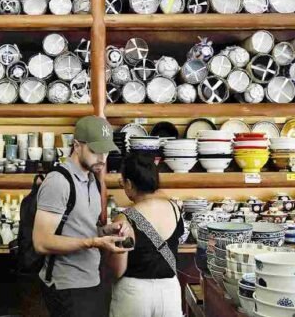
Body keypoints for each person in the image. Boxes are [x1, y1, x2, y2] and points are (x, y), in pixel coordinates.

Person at [33, 116, 132, 317]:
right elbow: (41, 242)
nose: (102, 158)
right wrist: (93, 242)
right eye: (95, 150)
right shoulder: (58, 182)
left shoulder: (91, 179)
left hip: (91, 280)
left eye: (105, 151)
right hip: (66, 285)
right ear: (77, 146)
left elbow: (79, 227)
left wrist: (106, 231)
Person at [107, 153, 184, 317]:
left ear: (129, 184)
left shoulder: (125, 219)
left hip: (134, 294)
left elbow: (118, 270)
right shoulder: (175, 209)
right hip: (169, 292)